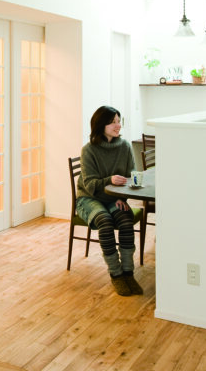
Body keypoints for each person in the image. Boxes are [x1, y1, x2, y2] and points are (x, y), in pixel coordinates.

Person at [75, 105, 142, 296]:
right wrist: (109, 180)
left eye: (119, 121)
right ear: (100, 125)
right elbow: (89, 184)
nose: (118, 125)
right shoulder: (89, 150)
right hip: (89, 198)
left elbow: (130, 176)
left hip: (114, 198)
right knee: (104, 221)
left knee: (126, 219)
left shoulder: (125, 146)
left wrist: (122, 197)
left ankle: (128, 273)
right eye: (112, 122)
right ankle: (116, 274)